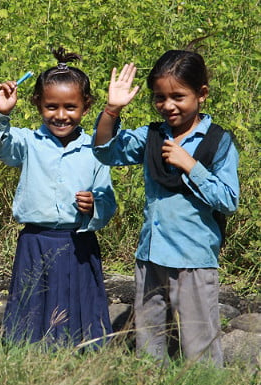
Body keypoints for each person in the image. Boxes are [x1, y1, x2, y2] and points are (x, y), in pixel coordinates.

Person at [92, 51, 239, 365]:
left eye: (178, 96)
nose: (168, 105)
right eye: (160, 97)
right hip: (151, 256)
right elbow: (105, 151)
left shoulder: (218, 142)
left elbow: (228, 200)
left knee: (200, 343)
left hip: (194, 259)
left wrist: (191, 166)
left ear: (202, 94)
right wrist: (111, 110)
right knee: (149, 341)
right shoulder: (152, 136)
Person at [0, 47, 116, 348]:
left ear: (86, 106)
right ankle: (27, 353)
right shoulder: (29, 142)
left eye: (70, 107)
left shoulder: (96, 149)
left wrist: (94, 204)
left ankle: (83, 353)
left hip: (78, 245)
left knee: (78, 302)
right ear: (38, 105)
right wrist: (2, 113)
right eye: (51, 107)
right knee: (33, 302)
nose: (60, 115)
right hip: (36, 242)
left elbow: (108, 201)